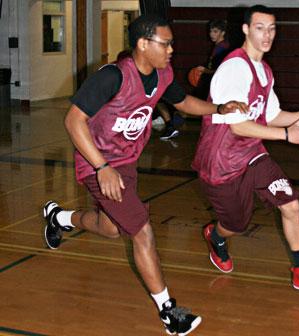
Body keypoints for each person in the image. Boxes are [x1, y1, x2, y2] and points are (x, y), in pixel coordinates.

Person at [42, 14, 246, 336]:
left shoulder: (163, 75)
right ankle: (169, 313)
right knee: (143, 231)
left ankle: (59, 218)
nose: (171, 50)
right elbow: (73, 121)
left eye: (171, 44)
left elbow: (183, 102)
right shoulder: (112, 77)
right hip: (98, 162)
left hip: (125, 163)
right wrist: (102, 167)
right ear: (142, 44)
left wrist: (219, 109)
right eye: (165, 44)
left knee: (112, 229)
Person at [192, 5, 299, 293]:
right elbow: (239, 126)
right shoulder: (235, 67)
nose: (267, 34)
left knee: (291, 204)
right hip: (221, 162)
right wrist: (288, 135)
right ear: (246, 30)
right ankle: (217, 236)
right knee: (236, 225)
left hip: (252, 154)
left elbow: (271, 115)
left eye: (272, 28)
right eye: (260, 27)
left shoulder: (264, 70)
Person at [194, 19, 231, 99]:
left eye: (215, 31)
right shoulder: (219, 46)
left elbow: (220, 70)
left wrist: (205, 70)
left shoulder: (222, 48)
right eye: (210, 31)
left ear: (223, 33)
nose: (211, 34)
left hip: (219, 83)